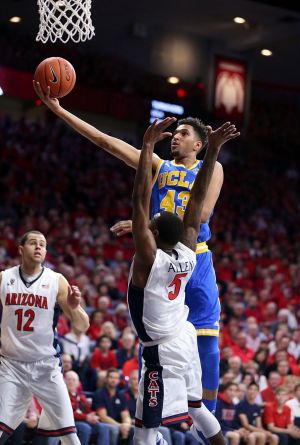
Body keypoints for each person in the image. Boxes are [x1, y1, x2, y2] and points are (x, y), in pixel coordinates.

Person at [33, 81, 239, 415]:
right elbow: (106, 142)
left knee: (207, 339)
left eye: (184, 133)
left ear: (200, 144)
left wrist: (151, 224)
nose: (176, 136)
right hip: (160, 257)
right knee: (153, 340)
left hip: (195, 255)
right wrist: (59, 110)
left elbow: (201, 214)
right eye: (176, 132)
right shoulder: (160, 167)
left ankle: (207, 419)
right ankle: (154, 417)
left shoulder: (210, 168)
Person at [124, 117, 238, 444]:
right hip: (184, 334)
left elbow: (139, 201)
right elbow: (196, 208)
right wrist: (215, 150)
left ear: (151, 233)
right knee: (198, 407)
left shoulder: (150, 258)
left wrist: (147, 146)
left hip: (161, 350)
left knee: (146, 427)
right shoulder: (188, 251)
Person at [0, 230, 90, 445]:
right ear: (21, 250)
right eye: (33, 243)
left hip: (46, 366)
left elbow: (82, 325)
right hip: (11, 365)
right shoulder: (4, 278)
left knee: (70, 435)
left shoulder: (56, 281)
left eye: (42, 244)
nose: (39, 247)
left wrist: (75, 307)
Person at [65, 370, 110, 445]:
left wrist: (93, 416)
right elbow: (67, 413)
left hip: (84, 420)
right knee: (85, 428)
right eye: (69, 379)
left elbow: (89, 411)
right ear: (64, 381)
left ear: (78, 383)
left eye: (74, 380)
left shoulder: (81, 397)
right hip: (71, 422)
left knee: (104, 427)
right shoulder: (64, 396)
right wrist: (86, 417)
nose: (71, 382)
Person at [92, 367, 134, 445]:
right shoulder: (99, 394)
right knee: (114, 429)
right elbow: (103, 417)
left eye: (116, 378)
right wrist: (120, 425)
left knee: (133, 429)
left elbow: (126, 416)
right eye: (111, 377)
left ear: (119, 380)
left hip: (117, 424)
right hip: (101, 424)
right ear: (106, 379)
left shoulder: (121, 395)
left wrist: (126, 425)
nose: (113, 380)